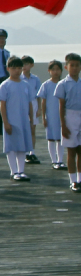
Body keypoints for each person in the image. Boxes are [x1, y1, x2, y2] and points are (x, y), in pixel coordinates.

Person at [0, 58, 33, 181]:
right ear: (8, 69)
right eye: (14, 68)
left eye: (19, 68)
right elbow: (2, 104)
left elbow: (30, 103)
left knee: (22, 146)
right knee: (11, 146)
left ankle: (21, 170)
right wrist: (5, 122)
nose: (17, 71)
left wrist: (31, 119)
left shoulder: (26, 85)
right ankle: (14, 171)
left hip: (23, 120)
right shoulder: (5, 85)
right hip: (11, 120)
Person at [58, 54, 81, 192]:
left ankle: (80, 178)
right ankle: (73, 181)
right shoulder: (63, 84)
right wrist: (63, 125)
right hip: (70, 116)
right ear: (66, 67)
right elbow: (61, 106)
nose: (74, 68)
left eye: (77, 65)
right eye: (71, 65)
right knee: (71, 150)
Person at [39, 60, 64, 170]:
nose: (55, 72)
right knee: (51, 138)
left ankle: (61, 160)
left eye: (57, 69)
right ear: (49, 71)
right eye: (53, 69)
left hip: (61, 115)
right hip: (51, 114)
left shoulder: (63, 84)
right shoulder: (46, 85)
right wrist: (44, 116)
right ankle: (54, 160)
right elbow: (43, 102)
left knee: (60, 138)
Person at [21, 56, 41, 165]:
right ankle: (24, 153)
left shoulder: (35, 79)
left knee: (32, 129)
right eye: (22, 64)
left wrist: (39, 108)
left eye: (26, 64)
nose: (24, 66)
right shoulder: (19, 78)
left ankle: (31, 152)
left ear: (31, 65)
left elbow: (38, 95)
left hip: (33, 103)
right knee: (24, 129)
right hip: (23, 104)